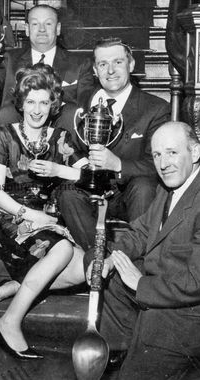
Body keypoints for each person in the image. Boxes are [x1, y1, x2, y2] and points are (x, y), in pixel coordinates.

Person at [85, 121, 200, 379]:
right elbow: (140, 233)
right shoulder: (168, 189)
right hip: (166, 292)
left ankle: (151, 350)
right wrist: (110, 258)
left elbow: (199, 283)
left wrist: (141, 285)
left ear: (194, 153)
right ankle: (128, 345)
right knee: (98, 262)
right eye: (157, 155)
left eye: (172, 152)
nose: (163, 163)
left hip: (199, 315)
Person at [0, 63, 87, 359]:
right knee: (63, 252)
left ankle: (12, 287)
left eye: (44, 101)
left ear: (53, 104)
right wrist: (36, 217)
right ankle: (10, 321)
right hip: (9, 218)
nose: (37, 109)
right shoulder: (5, 134)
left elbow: (93, 177)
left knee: (84, 268)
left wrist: (60, 170)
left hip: (47, 220)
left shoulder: (62, 139)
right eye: (30, 101)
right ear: (21, 102)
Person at [58, 37, 171, 251]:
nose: (110, 70)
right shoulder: (80, 107)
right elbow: (71, 147)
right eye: (103, 64)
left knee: (144, 187)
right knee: (66, 192)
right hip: (89, 188)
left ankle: (139, 263)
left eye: (117, 62)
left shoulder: (155, 108)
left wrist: (117, 164)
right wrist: (75, 158)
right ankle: (99, 258)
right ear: (95, 69)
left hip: (130, 193)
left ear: (131, 64)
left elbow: (158, 163)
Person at [0, 4, 93, 118]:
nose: (42, 29)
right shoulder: (9, 59)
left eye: (48, 24)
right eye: (35, 24)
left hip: (61, 131)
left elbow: (85, 107)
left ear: (58, 29)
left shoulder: (80, 63)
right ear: (27, 29)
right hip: (16, 128)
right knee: (6, 112)